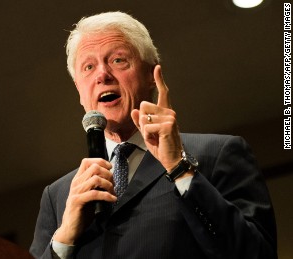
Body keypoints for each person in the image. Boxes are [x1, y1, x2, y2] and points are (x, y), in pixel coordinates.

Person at [30, 11, 277, 259]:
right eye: (89, 67)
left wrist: (180, 169)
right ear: (80, 91)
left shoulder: (217, 154)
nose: (102, 75)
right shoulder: (58, 196)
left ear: (151, 74)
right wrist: (64, 239)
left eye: (118, 60)